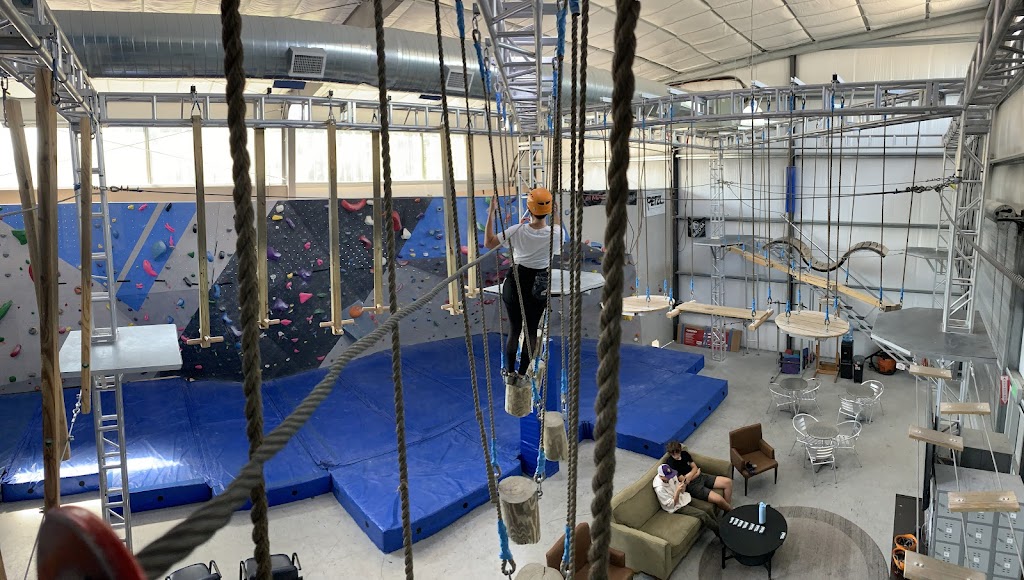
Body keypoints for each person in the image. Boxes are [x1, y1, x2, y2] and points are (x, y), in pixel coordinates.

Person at [484, 188, 562, 387]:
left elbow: (489, 243)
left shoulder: (517, 230)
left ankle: (509, 372)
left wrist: (491, 213)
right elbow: (556, 224)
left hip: (516, 281)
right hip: (539, 283)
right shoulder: (556, 234)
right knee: (531, 330)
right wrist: (555, 211)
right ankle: (521, 375)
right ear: (549, 209)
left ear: (529, 208)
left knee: (514, 329)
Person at [665, 441, 733, 512]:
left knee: (728, 482)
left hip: (701, 476)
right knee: (719, 499)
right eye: (673, 454)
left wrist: (691, 474)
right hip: (693, 486)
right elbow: (684, 480)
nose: (676, 455)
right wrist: (696, 474)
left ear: (680, 450)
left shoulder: (684, 454)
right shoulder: (670, 462)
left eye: (677, 452)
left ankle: (727, 509)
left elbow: (695, 467)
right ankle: (730, 510)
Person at [652, 464, 719, 534]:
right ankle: (718, 531)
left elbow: (682, 490)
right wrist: (677, 492)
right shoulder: (660, 489)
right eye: (668, 477)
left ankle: (716, 524)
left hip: (683, 497)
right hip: (676, 506)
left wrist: (683, 485)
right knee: (702, 514)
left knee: (707, 508)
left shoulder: (672, 476)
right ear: (661, 476)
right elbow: (671, 505)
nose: (671, 477)